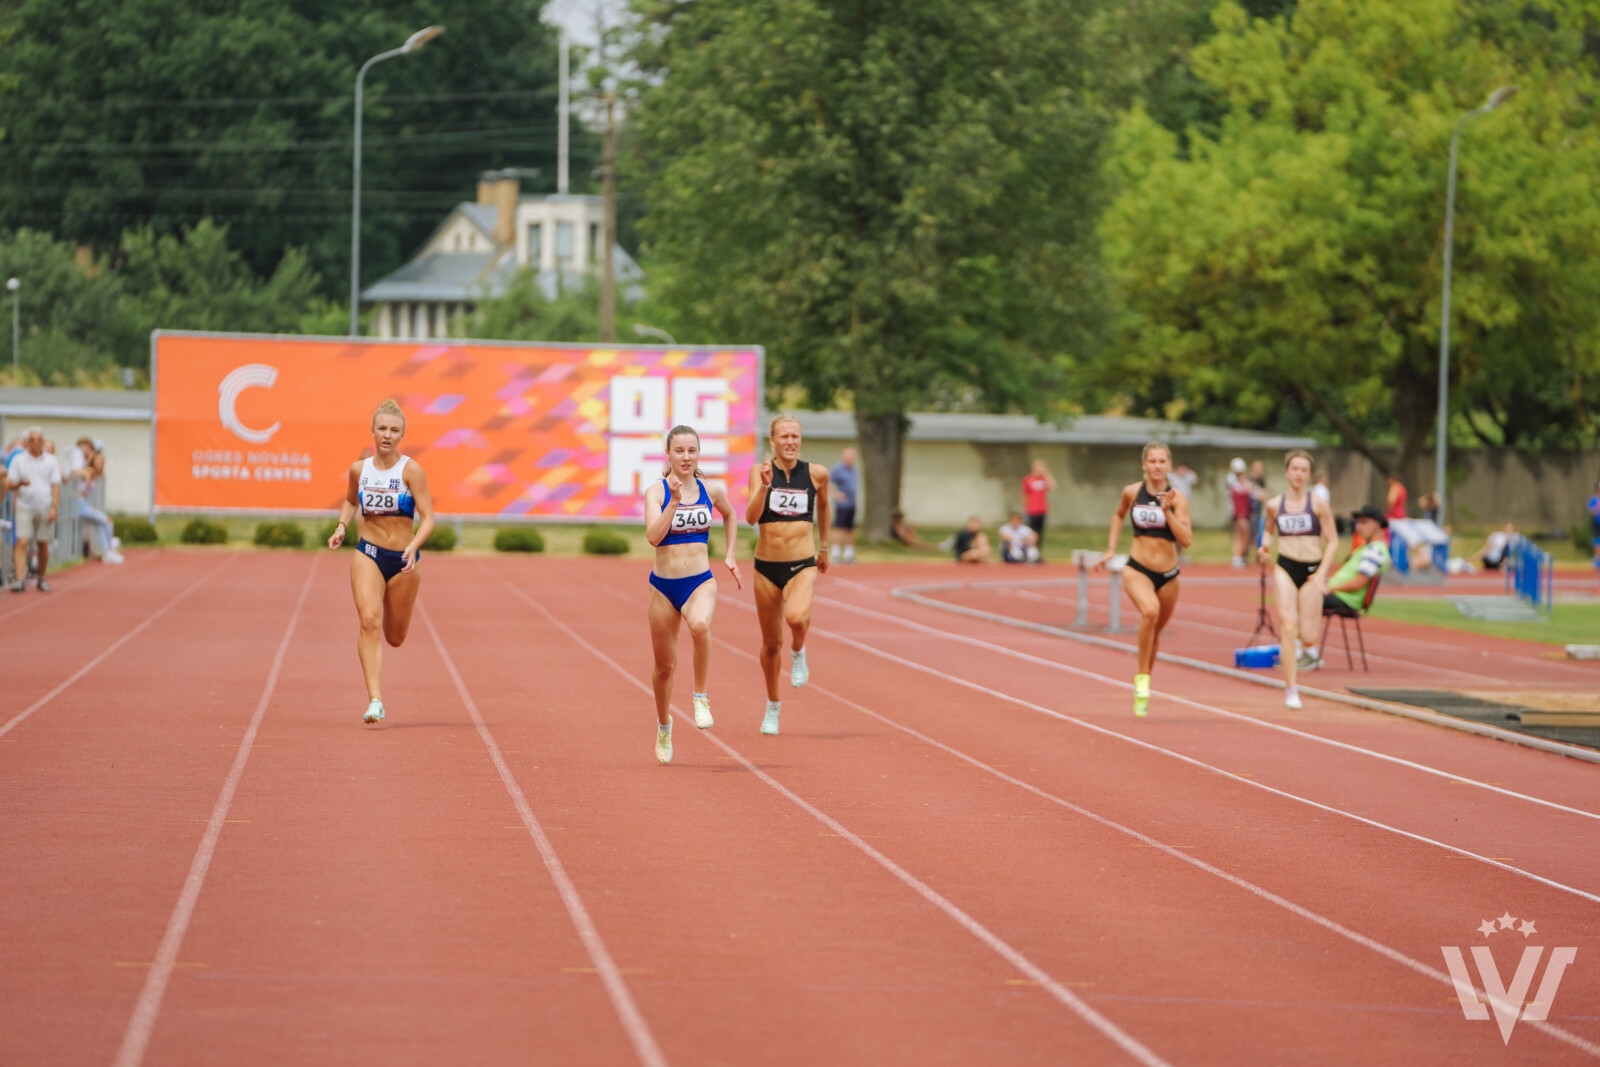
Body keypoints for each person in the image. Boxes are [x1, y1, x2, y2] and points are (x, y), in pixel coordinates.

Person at [327, 400, 434, 725]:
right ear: (372, 431)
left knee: (395, 637)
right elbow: (349, 500)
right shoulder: (359, 469)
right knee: (369, 620)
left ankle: (391, 606)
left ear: (402, 435)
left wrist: (414, 545)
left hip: (403, 561)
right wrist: (342, 526)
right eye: (382, 428)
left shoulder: (410, 471)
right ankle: (375, 700)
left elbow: (428, 518)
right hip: (368, 553)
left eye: (394, 430)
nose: (387, 435)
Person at [644, 424, 743, 765]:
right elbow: (654, 538)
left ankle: (700, 695)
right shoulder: (656, 492)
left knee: (700, 625)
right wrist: (673, 502)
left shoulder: (710, 489)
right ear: (668, 454)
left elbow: (730, 515)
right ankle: (663, 725)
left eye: (692, 450)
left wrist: (730, 553)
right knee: (664, 668)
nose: (686, 457)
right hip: (663, 587)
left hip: (700, 580)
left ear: (698, 454)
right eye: (680, 451)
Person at [745, 415, 831, 736]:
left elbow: (824, 507)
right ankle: (773, 705)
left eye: (795, 436)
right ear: (773, 441)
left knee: (796, 618)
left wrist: (824, 548)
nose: (790, 441)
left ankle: (799, 650)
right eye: (784, 436)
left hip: (802, 563)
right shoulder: (760, 472)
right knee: (769, 644)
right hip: (766, 567)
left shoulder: (817, 474)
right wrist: (765, 487)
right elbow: (751, 518)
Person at [1098, 442, 1193, 717]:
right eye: (1152, 461)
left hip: (1169, 575)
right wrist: (1111, 548)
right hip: (1138, 567)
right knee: (1149, 613)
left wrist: (1167, 512)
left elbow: (1186, 540)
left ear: (1169, 465)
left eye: (1162, 461)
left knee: (1155, 631)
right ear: (1144, 464)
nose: (1157, 466)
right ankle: (1141, 679)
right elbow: (1118, 516)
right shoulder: (1131, 492)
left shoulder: (1178, 498)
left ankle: (1146, 679)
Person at [1258, 450, 1339, 710]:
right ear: (1286, 472)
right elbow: (1269, 530)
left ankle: (1305, 650)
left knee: (1307, 636)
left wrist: (1321, 573)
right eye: (1294, 469)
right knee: (1288, 626)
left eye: (1304, 470)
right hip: (1285, 566)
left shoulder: (1318, 504)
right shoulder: (1274, 504)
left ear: (1309, 475)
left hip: (1312, 569)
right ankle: (1291, 689)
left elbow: (1334, 540)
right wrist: (1264, 547)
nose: (1298, 474)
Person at [7, 427, 62, 592]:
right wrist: (19, 484)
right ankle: (19, 578)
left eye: (40, 439)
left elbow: (55, 485)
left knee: (42, 542)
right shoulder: (19, 460)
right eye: (33, 439)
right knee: (22, 541)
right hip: (25, 504)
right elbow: (11, 482)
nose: (37, 443)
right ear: (28, 442)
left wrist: (54, 507)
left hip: (44, 505)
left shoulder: (51, 460)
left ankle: (42, 577)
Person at [1324, 507, 1391, 612]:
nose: (1359, 526)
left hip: (1345, 599)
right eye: (1358, 522)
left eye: (1364, 522)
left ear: (1377, 525)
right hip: (1338, 595)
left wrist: (1329, 589)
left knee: (1305, 597)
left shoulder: (1375, 550)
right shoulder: (1366, 548)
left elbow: (1358, 583)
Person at [72, 437, 122, 564]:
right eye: (98, 462)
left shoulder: (96, 474)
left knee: (100, 524)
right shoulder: (90, 471)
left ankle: (108, 551)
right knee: (107, 521)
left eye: (102, 463)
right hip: (80, 505)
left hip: (84, 504)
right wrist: (85, 476)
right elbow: (75, 473)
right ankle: (110, 545)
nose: (100, 465)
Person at [828, 447, 858, 564]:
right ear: (844, 457)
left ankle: (848, 555)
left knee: (850, 529)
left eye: (852, 457)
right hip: (842, 505)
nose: (850, 460)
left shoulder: (854, 469)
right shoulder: (838, 469)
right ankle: (835, 554)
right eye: (848, 457)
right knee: (839, 528)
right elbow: (827, 481)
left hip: (852, 504)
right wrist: (836, 494)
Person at [1021, 459, 1057, 551]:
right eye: (1039, 466)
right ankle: (1029, 550)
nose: (1040, 469)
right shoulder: (1028, 479)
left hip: (1042, 509)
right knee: (1031, 532)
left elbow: (1053, 486)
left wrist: (1046, 473)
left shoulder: (1044, 479)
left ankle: (1037, 552)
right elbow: (1024, 494)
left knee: (1040, 532)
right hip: (1032, 509)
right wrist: (1025, 507)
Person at [1227, 458, 1253, 567]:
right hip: (1238, 512)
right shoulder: (1231, 481)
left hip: (1245, 512)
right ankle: (1238, 557)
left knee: (1243, 535)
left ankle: (1241, 557)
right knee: (1240, 534)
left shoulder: (1245, 482)